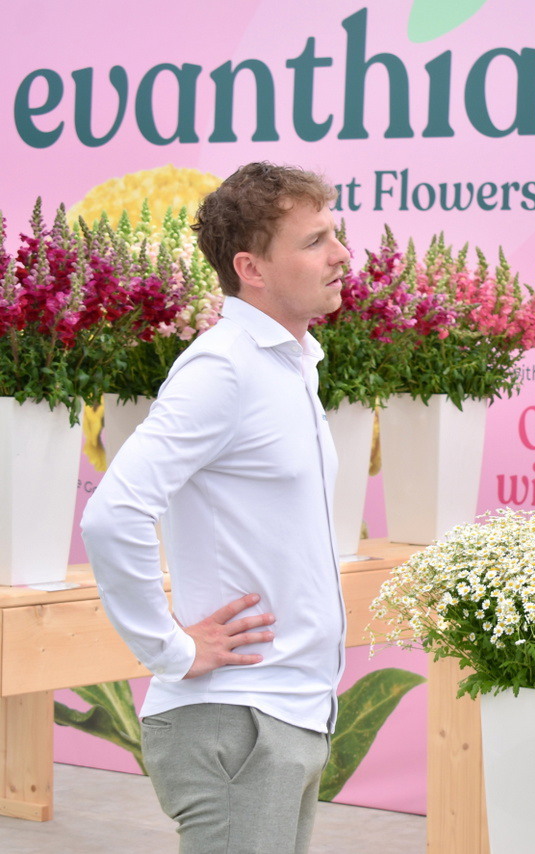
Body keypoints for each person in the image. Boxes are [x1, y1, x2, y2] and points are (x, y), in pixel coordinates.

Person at [81, 162, 351, 854]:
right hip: (238, 723)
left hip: (282, 716)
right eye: (315, 240)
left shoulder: (288, 363)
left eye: (335, 233)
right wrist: (169, 649)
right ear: (250, 268)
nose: (342, 254)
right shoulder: (224, 367)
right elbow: (114, 514)